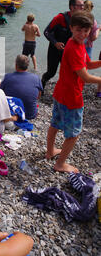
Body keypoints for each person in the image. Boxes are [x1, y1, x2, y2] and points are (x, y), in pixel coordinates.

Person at [46, 11, 101, 173]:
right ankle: (60, 164)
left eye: (86, 31)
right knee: (74, 134)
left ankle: (50, 151)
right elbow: (85, 76)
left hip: (60, 93)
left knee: (55, 124)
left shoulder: (74, 42)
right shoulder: (75, 48)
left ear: (90, 30)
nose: (82, 34)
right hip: (72, 98)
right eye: (79, 30)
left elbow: (88, 64)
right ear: (71, 28)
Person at [41, 0, 84, 90]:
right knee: (51, 72)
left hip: (68, 51)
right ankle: (42, 83)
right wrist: (55, 43)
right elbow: (46, 32)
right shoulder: (60, 18)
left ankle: (65, 92)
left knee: (69, 72)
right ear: (72, 7)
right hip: (55, 50)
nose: (83, 7)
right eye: (80, 5)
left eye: (83, 5)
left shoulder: (80, 20)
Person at [0, 55, 43, 120]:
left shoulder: (7, 77)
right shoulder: (36, 78)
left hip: (12, 114)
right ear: (27, 66)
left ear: (16, 65)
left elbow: (1, 94)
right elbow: (38, 96)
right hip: (30, 114)